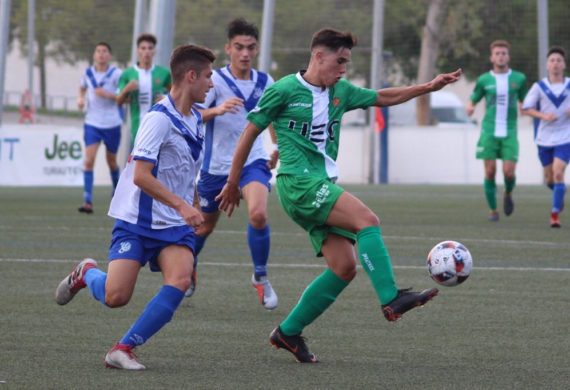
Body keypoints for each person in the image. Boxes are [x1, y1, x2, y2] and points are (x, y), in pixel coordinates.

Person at [216, 28, 461, 363]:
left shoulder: (340, 91)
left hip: (320, 184)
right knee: (367, 220)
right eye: (340, 60)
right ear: (318, 56)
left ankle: (287, 332)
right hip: (298, 184)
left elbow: (383, 97)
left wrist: (428, 87)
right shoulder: (285, 89)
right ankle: (391, 298)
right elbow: (250, 131)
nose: (344, 67)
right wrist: (233, 183)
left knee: (344, 267)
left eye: (347, 61)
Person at [55, 44, 216, 370]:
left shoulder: (197, 119)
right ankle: (87, 273)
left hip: (174, 225)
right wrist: (184, 207)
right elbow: (141, 176)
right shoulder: (158, 119)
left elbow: (188, 171)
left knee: (180, 280)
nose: (212, 84)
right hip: (138, 220)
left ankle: (122, 348)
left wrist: (194, 203)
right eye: (209, 77)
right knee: (116, 297)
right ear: (191, 76)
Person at [185, 18, 279, 310]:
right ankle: (190, 267)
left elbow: (275, 118)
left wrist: (276, 148)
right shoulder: (216, 81)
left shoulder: (266, 82)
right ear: (228, 48)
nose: (245, 53)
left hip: (253, 162)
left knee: (259, 214)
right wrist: (217, 109)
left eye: (250, 47)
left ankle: (260, 278)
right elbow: (190, 116)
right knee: (203, 227)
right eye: (239, 47)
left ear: (257, 48)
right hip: (216, 168)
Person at [466, 40, 528, 222]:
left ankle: (508, 192)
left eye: (504, 53)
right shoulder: (484, 79)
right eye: (497, 53)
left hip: (510, 131)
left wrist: (526, 107)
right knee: (490, 171)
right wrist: (469, 107)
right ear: (492, 57)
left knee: (509, 172)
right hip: (489, 131)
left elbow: (524, 101)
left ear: (508, 56)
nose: (501, 56)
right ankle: (493, 210)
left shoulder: (519, 78)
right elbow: (473, 99)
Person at [522, 46, 570, 228]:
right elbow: (526, 108)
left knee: (558, 173)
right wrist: (544, 116)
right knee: (550, 179)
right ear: (547, 65)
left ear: (564, 64)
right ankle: (559, 193)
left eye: (559, 60)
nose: (555, 63)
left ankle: (555, 214)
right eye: (552, 60)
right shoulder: (539, 87)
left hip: (566, 137)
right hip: (544, 138)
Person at [77, 42, 123, 214]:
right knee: (89, 160)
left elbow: (123, 96)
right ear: (94, 55)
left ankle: (117, 192)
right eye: (98, 51)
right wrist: (80, 99)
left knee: (111, 161)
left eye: (104, 51)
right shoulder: (88, 73)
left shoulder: (116, 74)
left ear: (109, 56)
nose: (101, 54)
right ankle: (87, 201)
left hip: (112, 123)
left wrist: (109, 95)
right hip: (92, 122)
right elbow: (81, 89)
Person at [117, 33, 172, 146]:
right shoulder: (128, 74)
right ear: (138, 50)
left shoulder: (164, 73)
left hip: (159, 125)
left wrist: (166, 99)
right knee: (138, 160)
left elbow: (177, 97)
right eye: (143, 48)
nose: (147, 51)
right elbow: (118, 102)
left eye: (150, 48)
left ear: (154, 51)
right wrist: (126, 89)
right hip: (137, 126)